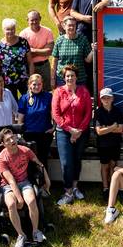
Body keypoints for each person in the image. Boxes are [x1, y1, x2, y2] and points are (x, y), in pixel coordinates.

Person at [0, 128, 50, 247]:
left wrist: (47, 180)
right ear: (3, 144)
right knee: (11, 204)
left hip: (24, 182)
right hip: (8, 185)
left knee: (31, 200)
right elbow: (11, 181)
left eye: (13, 137)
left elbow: (39, 164)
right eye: (8, 140)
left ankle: (35, 231)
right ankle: (21, 235)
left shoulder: (25, 150)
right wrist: (19, 198)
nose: (12, 140)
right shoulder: (1, 158)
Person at [52, 65, 92, 205]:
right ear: (64, 78)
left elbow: (88, 112)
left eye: (72, 75)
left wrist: (79, 130)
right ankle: (68, 192)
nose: (70, 78)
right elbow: (56, 114)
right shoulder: (58, 92)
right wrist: (70, 130)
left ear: (76, 77)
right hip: (64, 132)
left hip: (81, 132)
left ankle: (75, 187)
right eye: (67, 76)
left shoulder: (84, 91)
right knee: (66, 163)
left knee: (77, 159)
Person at [94, 87, 123, 195]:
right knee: (104, 166)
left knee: (113, 165)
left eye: (108, 98)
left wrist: (106, 128)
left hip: (115, 143)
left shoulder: (117, 111)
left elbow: (120, 129)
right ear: (101, 100)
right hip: (103, 144)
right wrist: (112, 127)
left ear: (112, 99)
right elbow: (99, 131)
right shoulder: (98, 112)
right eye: (103, 98)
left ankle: (112, 186)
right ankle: (105, 188)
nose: (106, 100)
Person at [17, 74, 53, 160]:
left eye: (39, 84)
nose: (37, 87)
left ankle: (44, 174)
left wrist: (54, 127)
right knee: (30, 161)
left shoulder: (48, 96)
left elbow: (54, 113)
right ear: (29, 84)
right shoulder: (24, 98)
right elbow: (20, 118)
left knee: (42, 160)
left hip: (44, 134)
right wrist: (20, 133)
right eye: (34, 84)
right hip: (29, 135)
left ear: (42, 84)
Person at [51, 17, 93, 89]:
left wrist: (93, 50)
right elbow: (54, 61)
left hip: (79, 79)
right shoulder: (59, 40)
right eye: (69, 25)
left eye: (74, 25)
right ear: (64, 26)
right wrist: (52, 78)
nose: (72, 27)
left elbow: (88, 60)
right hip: (62, 79)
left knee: (79, 100)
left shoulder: (83, 39)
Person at [0, 21, 33, 97]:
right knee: (12, 104)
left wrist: (31, 79)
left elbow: (30, 62)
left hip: (23, 78)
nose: (10, 31)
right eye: (8, 29)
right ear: (3, 30)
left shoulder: (23, 42)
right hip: (8, 81)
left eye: (12, 29)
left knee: (30, 99)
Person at [20, 11, 55, 85]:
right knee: (31, 88)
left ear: (40, 19)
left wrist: (32, 51)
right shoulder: (23, 34)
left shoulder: (48, 31)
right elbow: (23, 55)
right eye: (32, 20)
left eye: (36, 19)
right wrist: (42, 50)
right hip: (29, 67)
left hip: (44, 66)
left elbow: (50, 51)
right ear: (27, 20)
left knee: (46, 90)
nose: (34, 22)